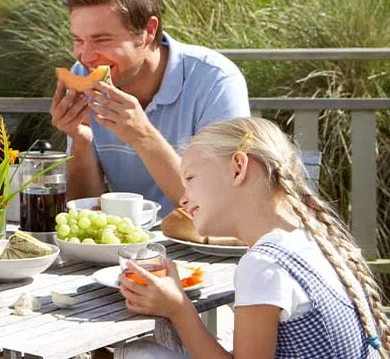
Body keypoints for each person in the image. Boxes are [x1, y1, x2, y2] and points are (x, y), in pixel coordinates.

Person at [116, 117, 389, 358]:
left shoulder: (264, 264)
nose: (184, 198)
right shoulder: (311, 239)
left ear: (238, 167)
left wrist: (178, 308)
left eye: (190, 178)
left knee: (137, 353)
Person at [50, 0, 249, 214]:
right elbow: (86, 210)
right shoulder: (82, 73)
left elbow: (221, 208)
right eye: (78, 40)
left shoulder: (215, 81)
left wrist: (142, 136)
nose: (86, 56)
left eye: (102, 40)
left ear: (149, 31)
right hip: (123, 236)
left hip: (199, 236)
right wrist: (81, 143)